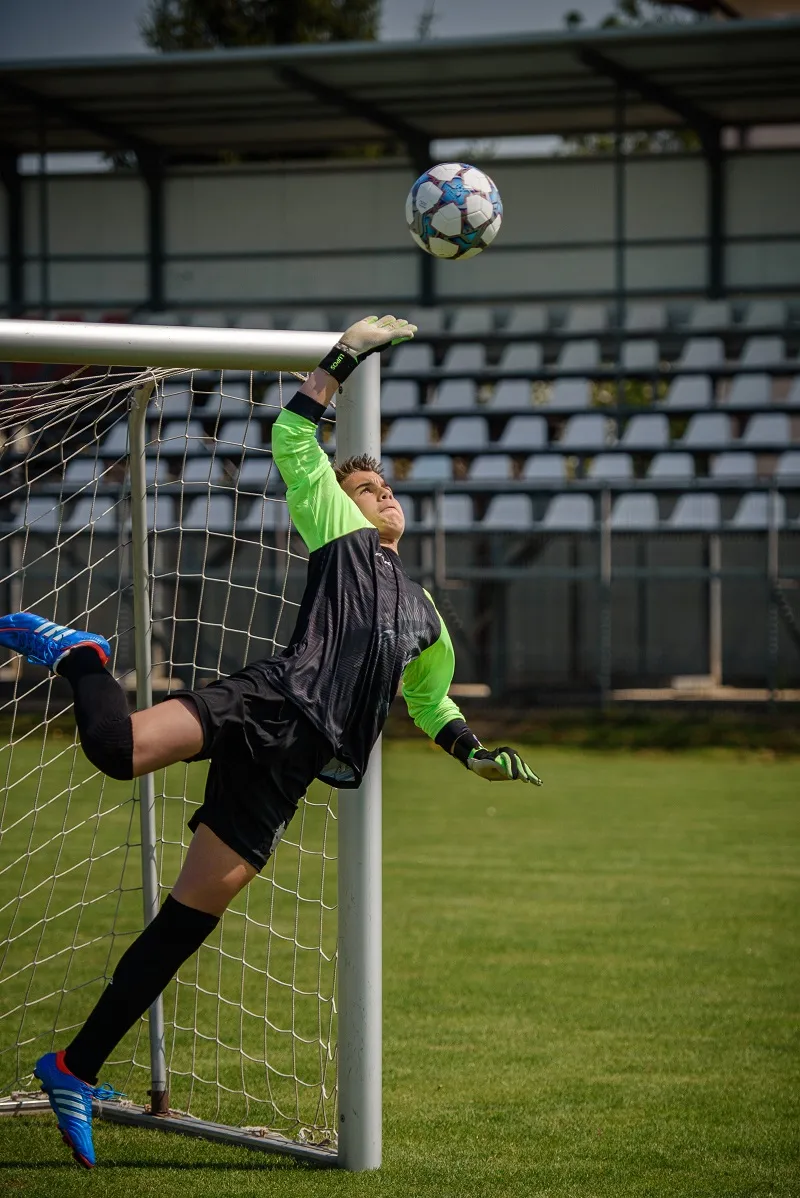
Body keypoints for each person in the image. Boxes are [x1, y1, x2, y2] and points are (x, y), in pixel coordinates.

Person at [0, 314, 541, 1169]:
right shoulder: (338, 526)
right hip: (272, 700)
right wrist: (343, 359)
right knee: (115, 751)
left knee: (185, 922)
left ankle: (73, 1066)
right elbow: (294, 429)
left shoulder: (427, 618)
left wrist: (476, 753)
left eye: (388, 488)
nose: (383, 493)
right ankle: (82, 657)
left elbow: (431, 706)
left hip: (294, 765)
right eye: (368, 487)